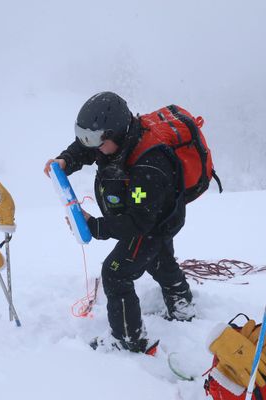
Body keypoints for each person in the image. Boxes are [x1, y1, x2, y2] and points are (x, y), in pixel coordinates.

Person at [43, 91, 195, 354]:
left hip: (151, 223)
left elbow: (139, 223)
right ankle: (181, 303)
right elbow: (85, 147)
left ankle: (128, 339)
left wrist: (96, 226)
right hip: (155, 216)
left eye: (96, 140)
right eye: (86, 137)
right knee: (158, 259)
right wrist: (66, 160)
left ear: (116, 133)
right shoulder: (114, 141)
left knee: (116, 274)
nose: (91, 146)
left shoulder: (147, 165)